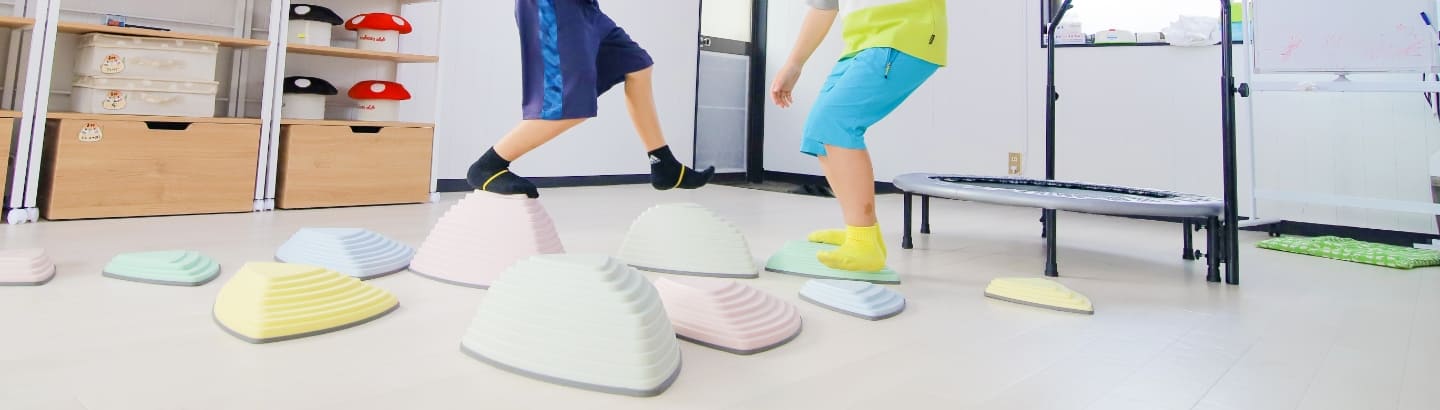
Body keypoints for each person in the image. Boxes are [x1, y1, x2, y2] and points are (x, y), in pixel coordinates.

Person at [468, 0, 715, 198]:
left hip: (586, 8)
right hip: (553, 5)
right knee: (568, 105)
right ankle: (487, 166)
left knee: (637, 65)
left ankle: (663, 163)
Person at [771, 0, 947, 272]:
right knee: (819, 132)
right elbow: (824, 5)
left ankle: (863, 242)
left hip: (903, 33)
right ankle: (864, 234)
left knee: (836, 123)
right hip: (860, 43)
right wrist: (794, 64)